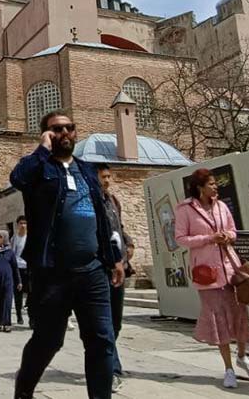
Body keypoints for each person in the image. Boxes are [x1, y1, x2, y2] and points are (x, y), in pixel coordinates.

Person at [11, 108, 124, 399]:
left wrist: (114, 259)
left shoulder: (87, 169)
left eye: (69, 128)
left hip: (92, 271)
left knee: (101, 340)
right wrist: (42, 149)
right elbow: (17, 179)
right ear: (47, 133)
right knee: (48, 341)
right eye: (56, 129)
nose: (64, 133)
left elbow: (102, 218)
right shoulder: (38, 169)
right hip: (54, 273)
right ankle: (23, 391)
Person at [175, 168, 249, 389]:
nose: (215, 187)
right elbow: (181, 238)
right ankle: (228, 368)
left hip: (231, 268)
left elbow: (233, 230)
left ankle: (242, 356)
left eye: (215, 183)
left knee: (240, 313)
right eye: (211, 184)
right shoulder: (185, 209)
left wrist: (227, 236)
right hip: (207, 272)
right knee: (219, 320)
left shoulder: (221, 206)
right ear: (199, 187)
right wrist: (209, 238)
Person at [97, 164, 131, 386]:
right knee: (105, 322)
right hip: (101, 269)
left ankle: (105, 357)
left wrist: (129, 242)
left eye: (109, 176)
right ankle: (111, 368)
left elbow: (119, 227)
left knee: (116, 322)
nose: (107, 181)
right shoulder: (91, 203)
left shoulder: (112, 201)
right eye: (103, 177)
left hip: (120, 267)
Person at [0, 229, 22, 332]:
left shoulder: (10, 252)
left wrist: (19, 281)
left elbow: (15, 267)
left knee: (7, 301)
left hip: (8, 281)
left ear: (5, 238)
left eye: (0, 237)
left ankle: (7, 323)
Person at [12, 216, 30, 327]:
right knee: (18, 293)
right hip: (18, 268)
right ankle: (19, 315)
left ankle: (31, 315)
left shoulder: (30, 237)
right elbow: (12, 254)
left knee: (31, 292)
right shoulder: (15, 238)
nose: (23, 225)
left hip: (29, 268)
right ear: (17, 225)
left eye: (25, 223)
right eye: (21, 223)